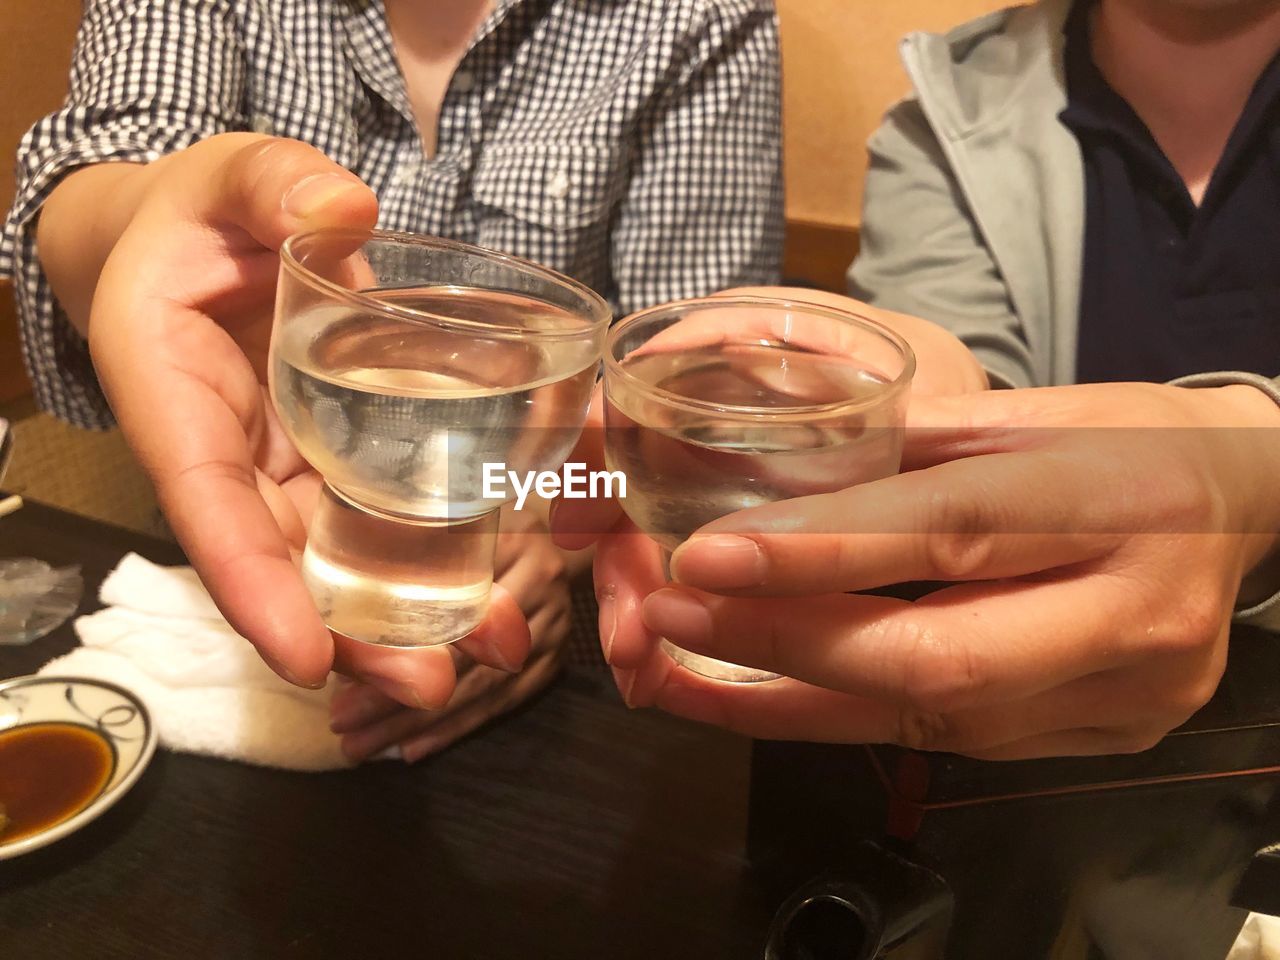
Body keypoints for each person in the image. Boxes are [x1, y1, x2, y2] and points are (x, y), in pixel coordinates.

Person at [0, 0, 783, 763]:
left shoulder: (702, 14)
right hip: (239, 572)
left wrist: (550, 531)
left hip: (545, 642)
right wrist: (151, 212)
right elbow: (108, 164)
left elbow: (682, 382)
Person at [555, 0, 1280, 761]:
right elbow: (961, 378)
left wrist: (1256, 467)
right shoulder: (942, 114)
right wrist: (950, 391)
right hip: (1008, 783)